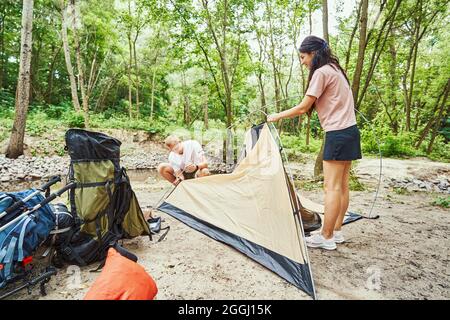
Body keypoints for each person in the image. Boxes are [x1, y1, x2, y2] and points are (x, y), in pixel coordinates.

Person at [267, 35, 362, 251]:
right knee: (342, 186)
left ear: (313, 53)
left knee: (331, 188)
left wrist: (276, 116)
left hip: (337, 134)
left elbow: (303, 107)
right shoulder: (336, 69)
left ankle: (325, 236)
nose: (302, 61)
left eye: (303, 56)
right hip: (350, 132)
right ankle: (336, 231)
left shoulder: (321, 72)